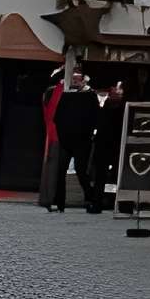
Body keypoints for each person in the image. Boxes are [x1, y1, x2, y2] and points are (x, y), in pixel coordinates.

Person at [50, 70, 100, 213]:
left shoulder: (90, 96)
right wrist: (62, 135)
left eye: (77, 79)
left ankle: (90, 198)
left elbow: (95, 118)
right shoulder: (66, 95)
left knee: (81, 171)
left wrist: (89, 134)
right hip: (66, 141)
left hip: (82, 141)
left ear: (84, 81)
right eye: (73, 79)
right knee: (60, 171)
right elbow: (57, 117)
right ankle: (59, 202)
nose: (75, 81)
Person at [86, 81, 124, 214]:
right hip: (115, 144)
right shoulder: (121, 108)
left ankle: (98, 203)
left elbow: (99, 123)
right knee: (115, 175)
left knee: (101, 176)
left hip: (105, 144)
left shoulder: (107, 107)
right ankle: (123, 205)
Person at [37, 70, 65, 210]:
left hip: (53, 133)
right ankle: (53, 198)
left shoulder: (49, 92)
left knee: (52, 166)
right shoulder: (57, 92)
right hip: (58, 133)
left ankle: (49, 198)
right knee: (56, 168)